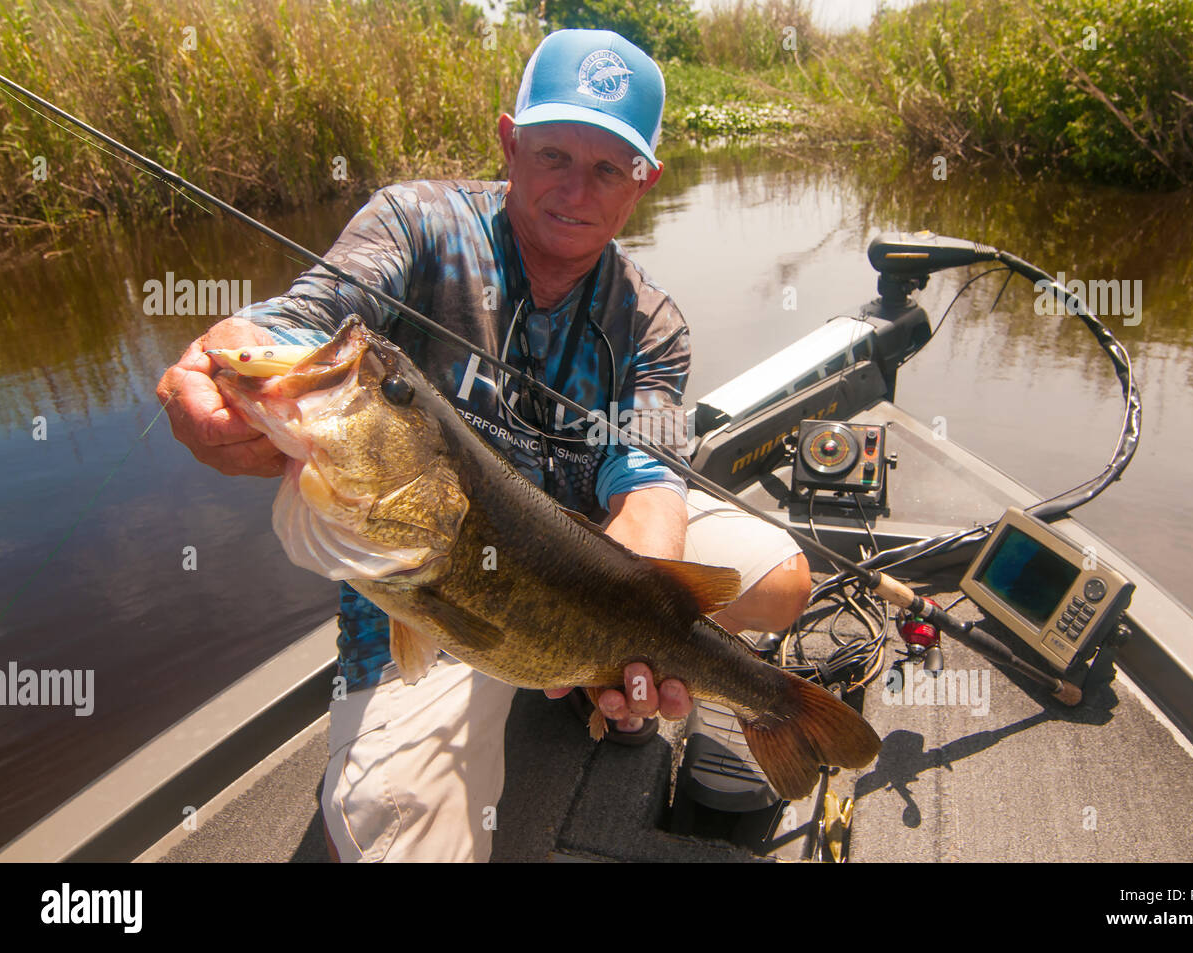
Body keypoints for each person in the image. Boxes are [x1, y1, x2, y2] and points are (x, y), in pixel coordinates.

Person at [156, 29, 811, 862]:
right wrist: (240, 354)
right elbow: (310, 315)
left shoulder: (653, 326)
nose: (576, 189)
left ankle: (686, 695)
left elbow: (648, 487)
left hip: (590, 558)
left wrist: (622, 627)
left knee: (782, 578)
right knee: (397, 836)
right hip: (426, 579)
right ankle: (568, 679)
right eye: (552, 155)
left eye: (608, 168)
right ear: (508, 141)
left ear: (642, 183)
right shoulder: (416, 224)